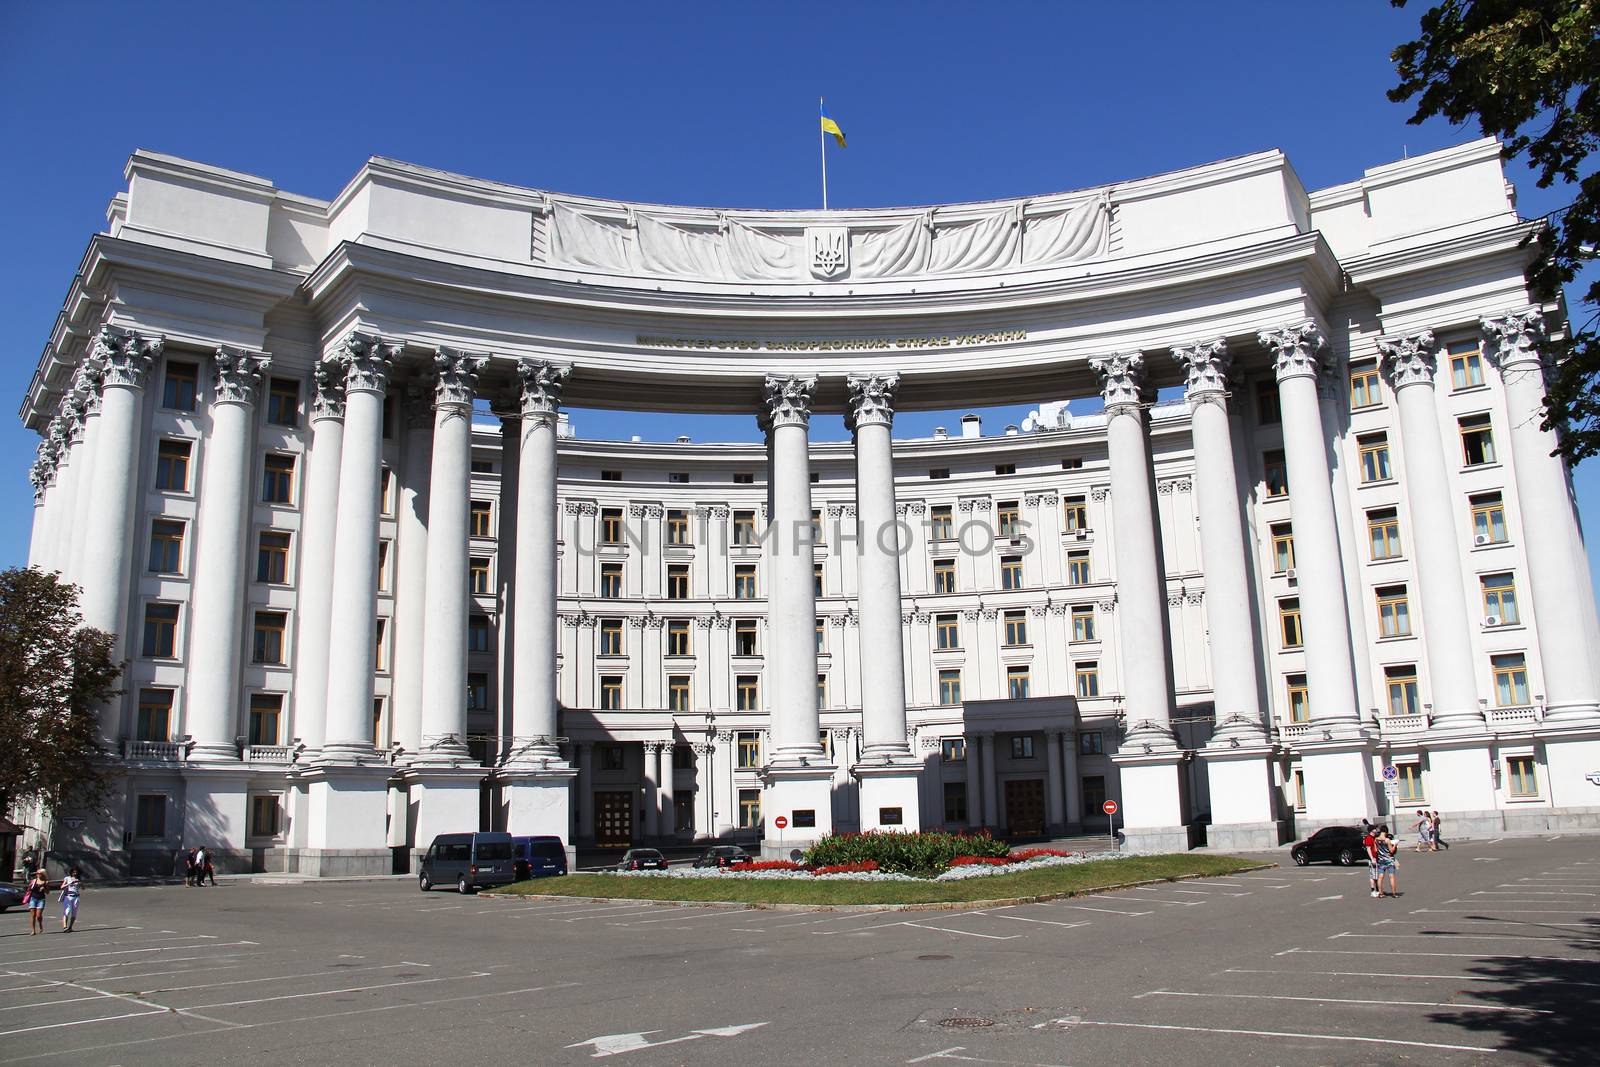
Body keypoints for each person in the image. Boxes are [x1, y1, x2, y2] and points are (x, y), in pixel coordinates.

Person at [1375, 828, 1400, 898]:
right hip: (1389, 861)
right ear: (1386, 832)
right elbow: (1391, 851)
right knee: (1391, 876)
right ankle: (1394, 893)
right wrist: (1395, 845)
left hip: (1381, 860)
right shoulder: (1387, 840)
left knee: (1380, 877)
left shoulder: (1376, 839)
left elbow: (1376, 850)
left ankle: (1380, 893)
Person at [23, 869, 48, 934]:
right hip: (33, 899)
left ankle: (40, 925)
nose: (38, 874)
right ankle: (33, 930)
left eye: (39, 873)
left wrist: (44, 889)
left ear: (43, 874)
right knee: (33, 915)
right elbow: (28, 889)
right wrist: (30, 887)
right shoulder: (34, 881)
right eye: (37, 873)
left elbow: (48, 892)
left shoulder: (46, 882)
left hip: (41, 899)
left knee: (38, 915)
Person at [57, 868, 81, 932]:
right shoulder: (67, 878)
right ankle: (65, 927)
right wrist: (69, 883)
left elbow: (82, 888)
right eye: (74, 872)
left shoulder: (78, 879)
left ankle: (70, 927)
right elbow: (61, 887)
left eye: (76, 872)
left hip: (76, 897)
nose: (75, 874)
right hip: (68, 897)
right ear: (71, 872)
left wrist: (80, 883)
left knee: (74, 913)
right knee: (67, 911)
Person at [1363, 824, 1380, 898]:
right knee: (1373, 876)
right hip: (1373, 859)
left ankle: (1377, 890)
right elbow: (1368, 849)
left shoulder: (1374, 837)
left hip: (1376, 858)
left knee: (1375, 876)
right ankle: (1373, 891)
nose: (1376, 830)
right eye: (1375, 829)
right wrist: (1372, 858)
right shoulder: (1369, 838)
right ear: (1372, 830)